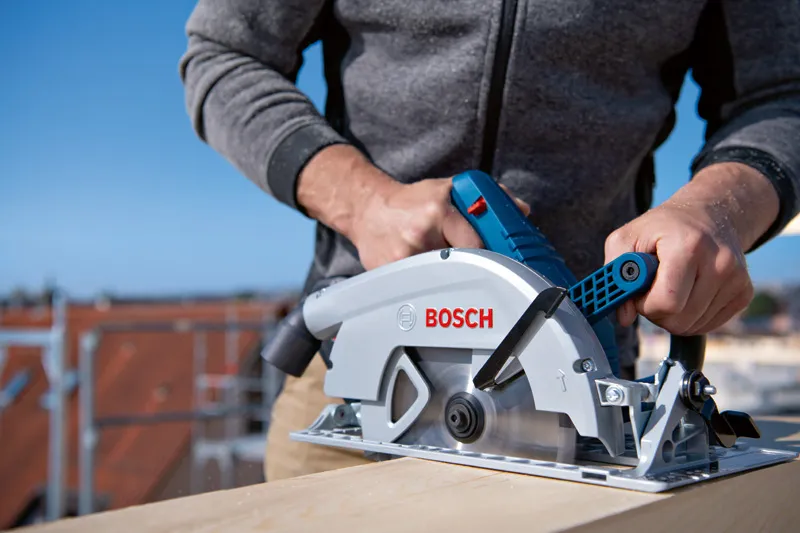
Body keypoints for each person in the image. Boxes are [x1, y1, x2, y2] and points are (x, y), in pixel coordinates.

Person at [179, 0, 800, 481]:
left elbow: (782, 96)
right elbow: (223, 54)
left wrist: (718, 210)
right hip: (361, 371)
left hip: (581, 388)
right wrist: (365, 202)